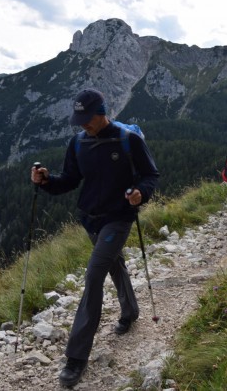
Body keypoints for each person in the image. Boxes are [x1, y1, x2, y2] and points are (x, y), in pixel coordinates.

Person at [30, 88, 159, 388]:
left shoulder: (129, 140)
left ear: (102, 112)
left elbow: (151, 175)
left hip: (119, 218)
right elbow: (70, 181)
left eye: (88, 119)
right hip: (91, 219)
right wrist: (47, 181)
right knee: (114, 265)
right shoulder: (78, 142)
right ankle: (130, 311)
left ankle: (76, 358)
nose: (83, 124)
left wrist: (142, 193)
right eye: (79, 119)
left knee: (93, 275)